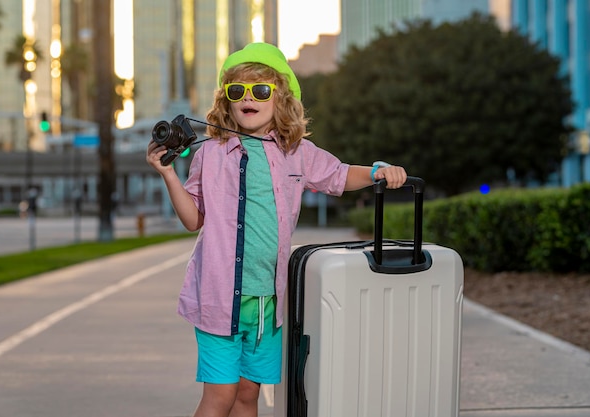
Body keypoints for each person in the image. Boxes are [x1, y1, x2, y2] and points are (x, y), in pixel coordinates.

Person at [146, 42, 407, 417]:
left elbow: (338, 175)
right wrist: (168, 172)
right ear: (227, 101)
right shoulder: (210, 153)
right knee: (220, 396)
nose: (247, 98)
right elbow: (193, 219)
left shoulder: (296, 152)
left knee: (248, 396)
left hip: (268, 303)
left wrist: (378, 171)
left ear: (280, 98)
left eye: (260, 90)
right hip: (219, 298)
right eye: (237, 91)